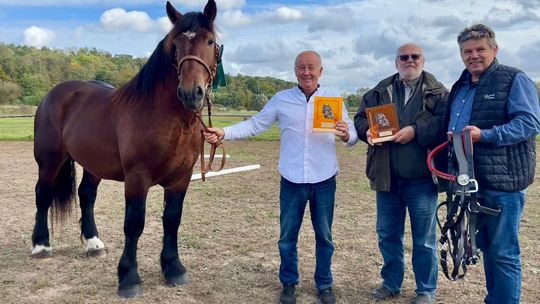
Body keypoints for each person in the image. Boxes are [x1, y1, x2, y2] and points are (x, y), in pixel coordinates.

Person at [203, 50, 358, 304]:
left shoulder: (333, 101)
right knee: (287, 237)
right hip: (292, 180)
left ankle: (324, 283)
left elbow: (352, 136)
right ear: (295, 70)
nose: (306, 72)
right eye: (301, 67)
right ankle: (288, 283)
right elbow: (255, 125)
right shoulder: (281, 99)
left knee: (325, 237)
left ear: (321, 71)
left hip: (324, 180)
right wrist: (224, 132)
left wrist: (345, 135)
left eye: (311, 67)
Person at [444, 24, 540, 304]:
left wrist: (484, 135)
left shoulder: (513, 79)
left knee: (503, 251)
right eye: (467, 51)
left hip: (502, 183)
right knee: (485, 247)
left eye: (480, 49)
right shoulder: (460, 86)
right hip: (470, 182)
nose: (473, 55)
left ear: (494, 50)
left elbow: (529, 123)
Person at [354, 43, 448, 304]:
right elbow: (360, 119)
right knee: (388, 235)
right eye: (403, 57)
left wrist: (416, 131)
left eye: (414, 56)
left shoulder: (439, 93)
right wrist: (366, 132)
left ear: (423, 60)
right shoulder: (377, 91)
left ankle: (425, 290)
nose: (409, 60)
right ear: (396, 62)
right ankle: (391, 283)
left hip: (422, 181)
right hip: (387, 178)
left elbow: (444, 123)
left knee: (425, 240)